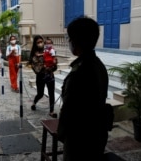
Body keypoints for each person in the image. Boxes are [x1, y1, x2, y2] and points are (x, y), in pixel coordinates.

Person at [57, 16, 109, 161]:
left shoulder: (80, 71)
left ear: (75, 41)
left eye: (69, 38)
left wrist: (62, 134)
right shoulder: (98, 64)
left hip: (80, 137)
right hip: (96, 133)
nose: (69, 42)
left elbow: (69, 109)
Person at [29, 35, 57, 117]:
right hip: (41, 76)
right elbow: (35, 68)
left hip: (50, 75)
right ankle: (34, 103)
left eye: (41, 42)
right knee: (40, 94)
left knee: (51, 93)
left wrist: (53, 65)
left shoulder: (49, 51)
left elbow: (55, 65)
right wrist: (43, 66)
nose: (40, 43)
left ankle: (51, 111)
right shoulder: (34, 54)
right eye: (38, 42)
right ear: (35, 44)